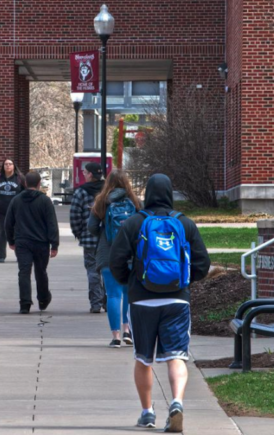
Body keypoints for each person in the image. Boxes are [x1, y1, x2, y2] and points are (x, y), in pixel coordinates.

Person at [109, 174, 210, 431]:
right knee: (177, 356)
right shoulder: (184, 224)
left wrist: (130, 283)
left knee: (143, 359)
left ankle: (147, 412)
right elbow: (202, 264)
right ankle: (176, 402)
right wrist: (183, 282)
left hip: (142, 301)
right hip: (177, 300)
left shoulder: (134, 223)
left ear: (148, 194)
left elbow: (116, 261)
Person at [87, 170, 141, 347]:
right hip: (130, 253)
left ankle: (115, 337)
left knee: (113, 295)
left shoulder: (102, 201)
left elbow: (92, 227)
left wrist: (105, 231)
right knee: (128, 294)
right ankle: (128, 331)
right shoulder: (135, 202)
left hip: (108, 252)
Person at [5, 170, 59, 314]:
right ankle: (43, 298)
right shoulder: (45, 201)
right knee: (40, 271)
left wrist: (11, 240)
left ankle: (25, 303)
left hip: (22, 242)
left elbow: (8, 222)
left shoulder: (16, 200)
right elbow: (52, 223)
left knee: (24, 272)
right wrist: (54, 244)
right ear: (39, 184)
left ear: (25, 183)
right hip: (41, 242)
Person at [69, 162, 105, 313]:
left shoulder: (81, 192)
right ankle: (109, 302)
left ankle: (95, 303)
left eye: (85, 172)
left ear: (90, 174)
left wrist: (79, 233)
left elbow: (75, 216)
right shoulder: (108, 190)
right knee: (108, 271)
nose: (83, 173)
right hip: (108, 239)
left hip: (89, 238)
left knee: (92, 270)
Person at [0, 159, 26, 263]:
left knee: (16, 232)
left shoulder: (20, 178)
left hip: (16, 211)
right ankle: (1, 256)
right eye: (6, 164)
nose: (8, 166)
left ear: (14, 166)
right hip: (1, 211)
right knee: (3, 231)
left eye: (10, 164)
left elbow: (25, 193)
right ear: (3, 166)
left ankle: (19, 255)